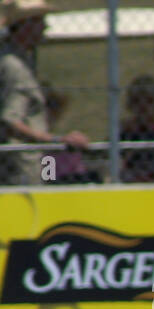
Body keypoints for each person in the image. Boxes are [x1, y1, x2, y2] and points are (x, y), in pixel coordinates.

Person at [0, 0, 89, 186]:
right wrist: (57, 140)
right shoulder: (14, 67)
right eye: (40, 20)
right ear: (25, 25)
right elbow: (10, 120)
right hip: (21, 164)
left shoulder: (19, 60)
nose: (45, 27)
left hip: (34, 160)